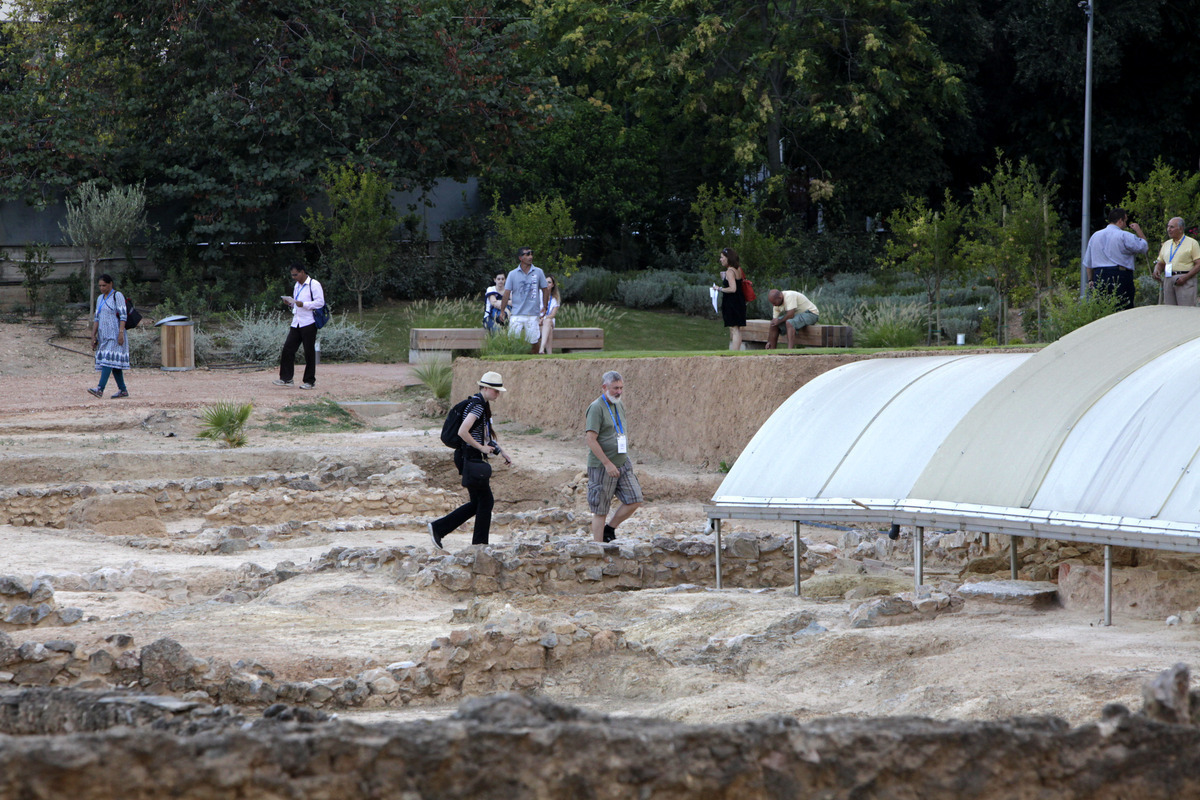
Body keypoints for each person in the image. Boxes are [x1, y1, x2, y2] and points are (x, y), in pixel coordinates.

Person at [428, 371, 512, 549]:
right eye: (496, 391)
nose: (498, 394)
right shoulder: (478, 406)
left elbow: (484, 436)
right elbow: (463, 431)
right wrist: (481, 448)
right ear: (486, 388)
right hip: (471, 458)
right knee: (486, 501)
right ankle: (478, 544)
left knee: (479, 502)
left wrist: (501, 451)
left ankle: (440, 528)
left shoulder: (480, 404)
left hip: (468, 457)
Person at [585, 370, 643, 543]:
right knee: (600, 509)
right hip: (602, 467)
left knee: (635, 499)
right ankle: (598, 547)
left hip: (623, 463)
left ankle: (609, 529)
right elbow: (590, 439)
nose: (619, 391)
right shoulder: (596, 408)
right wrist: (607, 464)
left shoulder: (619, 404)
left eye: (621, 388)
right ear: (604, 387)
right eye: (615, 388)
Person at [1082, 207, 1148, 310]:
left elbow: (1088, 263)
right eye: (1125, 221)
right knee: (1123, 309)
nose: (1126, 224)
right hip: (1120, 275)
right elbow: (1143, 247)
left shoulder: (1095, 236)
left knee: (1103, 310)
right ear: (1120, 221)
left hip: (1099, 275)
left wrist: (1091, 279)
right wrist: (1139, 231)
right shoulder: (1124, 235)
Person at [274, 262, 324, 389]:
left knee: (309, 352)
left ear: (302, 272)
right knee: (287, 349)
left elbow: (320, 302)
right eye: (292, 275)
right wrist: (290, 303)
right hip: (296, 322)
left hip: (309, 322)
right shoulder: (297, 285)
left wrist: (305, 304)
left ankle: (309, 381)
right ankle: (286, 378)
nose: (294, 277)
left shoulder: (314, 284)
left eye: (295, 274)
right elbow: (296, 302)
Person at [87, 274, 131, 399]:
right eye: (100, 286)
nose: (102, 288)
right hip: (104, 336)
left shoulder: (118, 296)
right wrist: (93, 335)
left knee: (108, 360)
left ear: (110, 284)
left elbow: (123, 316)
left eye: (104, 285)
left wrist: (121, 333)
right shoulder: (100, 298)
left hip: (116, 335)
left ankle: (100, 389)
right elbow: (97, 318)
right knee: (113, 363)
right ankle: (123, 390)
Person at [501, 246, 549, 354]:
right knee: (512, 339)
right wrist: (502, 310)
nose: (530, 256)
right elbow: (506, 293)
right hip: (516, 312)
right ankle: (514, 360)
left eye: (531, 254)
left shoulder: (538, 272)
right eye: (527, 254)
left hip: (532, 312)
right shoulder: (512, 274)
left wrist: (545, 307)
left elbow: (545, 290)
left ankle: (535, 361)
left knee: (534, 340)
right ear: (520, 258)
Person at [1152, 217, 1200, 307]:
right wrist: (1156, 270)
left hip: (1185, 279)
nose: (1168, 229)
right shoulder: (1166, 244)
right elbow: (1161, 262)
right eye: (1168, 227)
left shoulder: (1192, 243)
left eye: (1172, 227)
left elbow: (1199, 264)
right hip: (1168, 278)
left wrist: (1185, 277)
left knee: (1185, 310)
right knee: (1170, 310)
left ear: (1181, 229)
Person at [712, 247, 747, 350]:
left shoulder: (730, 271)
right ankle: (736, 350)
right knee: (736, 328)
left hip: (732, 302)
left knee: (734, 328)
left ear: (728, 258)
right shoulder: (738, 269)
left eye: (722, 257)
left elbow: (733, 289)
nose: (720, 259)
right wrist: (724, 278)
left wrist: (719, 288)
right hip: (739, 301)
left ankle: (734, 352)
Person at [538, 275, 561, 354]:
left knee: (548, 321)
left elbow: (553, 314)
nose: (547, 284)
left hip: (548, 320)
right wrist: (539, 319)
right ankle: (549, 354)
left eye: (549, 282)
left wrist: (543, 318)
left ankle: (542, 348)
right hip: (538, 321)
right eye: (545, 282)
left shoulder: (555, 298)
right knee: (549, 330)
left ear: (553, 285)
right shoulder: (539, 294)